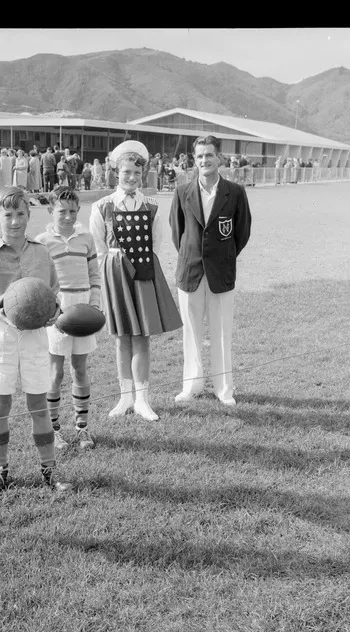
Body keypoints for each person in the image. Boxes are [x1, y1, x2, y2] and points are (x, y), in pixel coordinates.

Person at [0, 186, 71, 493]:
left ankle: (49, 470)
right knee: (0, 405)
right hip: (3, 337)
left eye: (21, 214)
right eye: (8, 215)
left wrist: (55, 310)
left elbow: (52, 292)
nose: (15, 221)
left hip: (36, 336)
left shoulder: (41, 251)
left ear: (29, 215)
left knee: (39, 404)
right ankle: (0, 471)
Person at [90, 141, 182, 421]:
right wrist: (113, 274)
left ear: (144, 174)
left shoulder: (152, 206)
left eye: (137, 173)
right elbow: (100, 249)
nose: (131, 178)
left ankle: (142, 399)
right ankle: (124, 398)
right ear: (116, 173)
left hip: (143, 271)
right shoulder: (102, 206)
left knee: (142, 337)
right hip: (116, 272)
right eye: (126, 172)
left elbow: (156, 245)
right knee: (122, 338)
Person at [169, 134, 252, 407]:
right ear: (194, 160)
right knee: (191, 332)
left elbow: (241, 232)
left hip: (221, 273)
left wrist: (223, 257)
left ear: (220, 158)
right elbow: (177, 233)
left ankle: (224, 388)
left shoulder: (235, 192)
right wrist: (194, 256)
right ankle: (191, 385)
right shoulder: (182, 192)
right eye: (200, 156)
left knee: (221, 332)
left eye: (209, 155)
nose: (205, 160)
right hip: (190, 273)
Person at [34, 186, 101, 450]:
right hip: (56, 313)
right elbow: (40, 282)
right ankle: (54, 430)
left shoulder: (86, 238)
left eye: (73, 211)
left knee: (80, 369)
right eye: (62, 211)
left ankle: (82, 428)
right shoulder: (42, 241)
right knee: (55, 373)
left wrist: (94, 306)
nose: (68, 216)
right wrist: (51, 310)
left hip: (83, 310)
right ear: (51, 211)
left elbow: (94, 276)